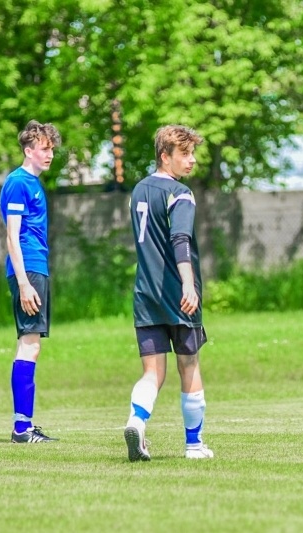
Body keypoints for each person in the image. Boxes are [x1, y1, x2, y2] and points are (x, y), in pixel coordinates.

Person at [124, 125, 213, 461]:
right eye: (184, 154)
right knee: (189, 365)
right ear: (165, 156)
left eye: (193, 154)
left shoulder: (138, 190)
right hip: (178, 296)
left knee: (152, 372)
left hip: (145, 294)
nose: (192, 160)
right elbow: (180, 240)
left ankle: (136, 422)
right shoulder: (180, 193)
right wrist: (188, 284)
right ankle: (194, 445)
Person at [0, 120, 61, 443]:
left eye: (52, 149)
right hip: (28, 270)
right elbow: (12, 237)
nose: (49, 154)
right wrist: (24, 283)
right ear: (28, 150)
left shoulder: (34, 184)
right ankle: (22, 428)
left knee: (31, 343)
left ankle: (24, 425)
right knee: (29, 344)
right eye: (44, 148)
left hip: (37, 268)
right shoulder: (18, 183)